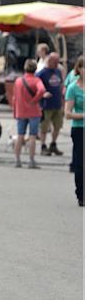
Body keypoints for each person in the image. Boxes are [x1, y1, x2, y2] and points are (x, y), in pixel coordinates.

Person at [12, 59, 47, 169]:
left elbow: (14, 98)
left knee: (20, 135)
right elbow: (42, 90)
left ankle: (17, 160)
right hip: (33, 111)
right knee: (32, 135)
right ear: (35, 69)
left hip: (21, 111)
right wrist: (35, 100)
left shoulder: (18, 81)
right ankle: (31, 160)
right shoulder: (37, 80)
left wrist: (14, 111)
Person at [64, 56, 84, 206]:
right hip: (80, 129)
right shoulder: (73, 88)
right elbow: (68, 113)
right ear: (79, 69)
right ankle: (81, 193)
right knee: (81, 163)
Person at [36, 52, 64, 156]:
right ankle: (43, 146)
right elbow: (35, 87)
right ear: (49, 61)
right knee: (44, 127)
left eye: (58, 62)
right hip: (46, 105)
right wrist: (42, 94)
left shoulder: (57, 71)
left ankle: (53, 144)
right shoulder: (42, 73)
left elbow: (60, 84)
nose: (57, 64)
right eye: (55, 62)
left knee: (57, 126)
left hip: (57, 104)